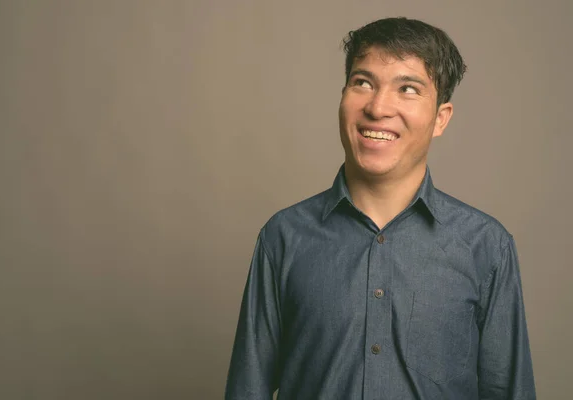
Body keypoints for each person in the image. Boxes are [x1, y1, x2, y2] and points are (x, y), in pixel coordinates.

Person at [225, 17, 535, 399]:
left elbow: (509, 391)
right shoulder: (284, 236)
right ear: (342, 96)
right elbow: (247, 388)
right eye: (363, 83)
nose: (378, 107)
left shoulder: (486, 246)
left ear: (441, 118)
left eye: (408, 88)